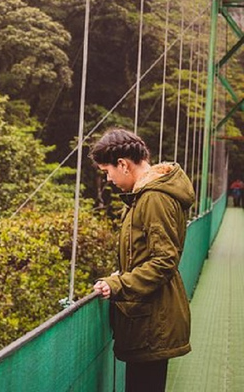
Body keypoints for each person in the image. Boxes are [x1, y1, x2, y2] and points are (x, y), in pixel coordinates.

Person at [89, 128, 194, 392]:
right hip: (146, 317)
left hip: (152, 322)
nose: (109, 179)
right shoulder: (144, 196)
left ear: (122, 164)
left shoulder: (153, 198)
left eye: (107, 171)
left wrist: (118, 284)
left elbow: (164, 261)